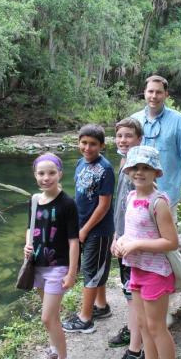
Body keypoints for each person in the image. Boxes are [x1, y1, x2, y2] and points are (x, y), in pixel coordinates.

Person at [114, 145, 179, 359]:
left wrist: (136, 245)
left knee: (156, 327)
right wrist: (120, 242)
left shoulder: (158, 202)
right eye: (135, 167)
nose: (139, 172)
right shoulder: (131, 197)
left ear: (156, 172)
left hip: (156, 272)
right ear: (127, 171)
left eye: (145, 168)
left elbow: (171, 242)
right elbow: (131, 233)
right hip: (137, 269)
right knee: (142, 325)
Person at [23, 153, 80, 359]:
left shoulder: (67, 203)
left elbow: (74, 241)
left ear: (60, 174)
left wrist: (72, 273)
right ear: (35, 175)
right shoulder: (35, 200)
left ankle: (62, 355)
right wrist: (27, 244)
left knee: (47, 318)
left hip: (58, 267)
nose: (46, 178)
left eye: (51, 173)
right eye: (41, 173)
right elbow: (30, 228)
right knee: (52, 316)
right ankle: (54, 351)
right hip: (38, 265)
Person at [62, 124, 115, 334]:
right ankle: (101, 306)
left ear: (101, 145)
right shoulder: (80, 163)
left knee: (90, 271)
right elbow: (80, 196)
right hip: (82, 225)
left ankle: (85, 319)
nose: (87, 147)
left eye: (92, 144)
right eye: (83, 143)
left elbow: (104, 206)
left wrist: (84, 230)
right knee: (95, 268)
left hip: (99, 230)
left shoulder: (106, 169)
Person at [131, 75, 181, 223]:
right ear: (144, 92)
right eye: (150, 91)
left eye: (159, 92)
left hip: (167, 192)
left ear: (166, 94)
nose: (154, 96)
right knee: (140, 236)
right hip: (138, 192)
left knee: (167, 240)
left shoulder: (178, 120)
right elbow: (126, 156)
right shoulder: (134, 120)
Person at [109, 118, 144, 359]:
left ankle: (136, 349)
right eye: (120, 136)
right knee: (129, 292)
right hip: (121, 238)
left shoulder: (139, 169)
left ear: (139, 139)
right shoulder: (125, 163)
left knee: (135, 295)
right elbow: (120, 206)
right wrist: (115, 235)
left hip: (133, 242)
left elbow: (140, 212)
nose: (123, 140)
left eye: (129, 136)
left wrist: (126, 239)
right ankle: (133, 333)